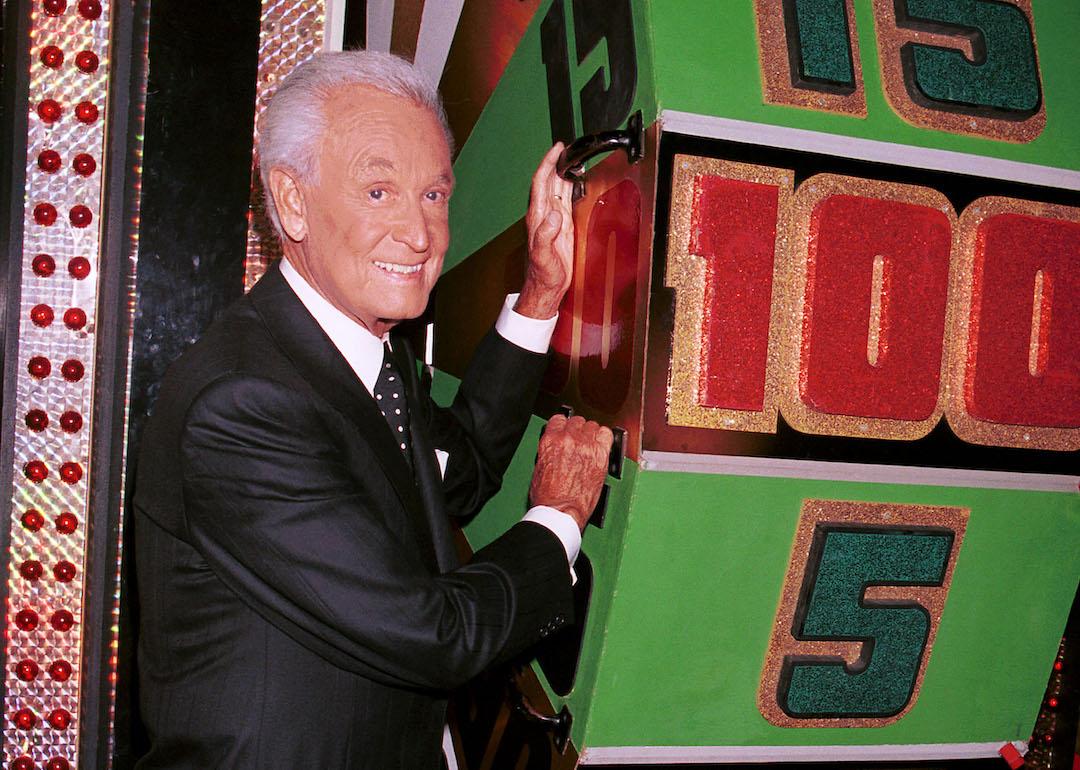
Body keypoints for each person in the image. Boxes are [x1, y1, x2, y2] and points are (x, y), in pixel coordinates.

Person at [133, 50, 612, 769]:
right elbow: (436, 637)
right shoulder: (244, 405)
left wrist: (540, 294)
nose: (420, 236)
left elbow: (466, 469)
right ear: (291, 200)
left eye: (434, 195)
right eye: (379, 193)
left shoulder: (368, 357)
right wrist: (559, 518)